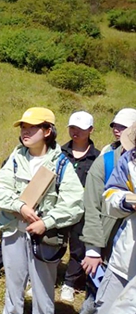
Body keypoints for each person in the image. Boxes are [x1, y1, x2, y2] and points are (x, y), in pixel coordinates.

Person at [0, 107, 84, 314]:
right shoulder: (15, 157)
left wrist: (48, 221)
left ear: (47, 131)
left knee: (42, 288)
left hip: (44, 237)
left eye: (32, 127)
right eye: (23, 127)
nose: (25, 131)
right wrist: (19, 205)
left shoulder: (62, 163)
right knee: (14, 284)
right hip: (13, 231)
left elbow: (75, 203)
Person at [74, 109, 136, 314]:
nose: (117, 131)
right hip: (121, 259)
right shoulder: (120, 159)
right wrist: (126, 202)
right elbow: (101, 200)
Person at [59, 111, 99, 303]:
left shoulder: (97, 158)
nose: (76, 132)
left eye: (81, 129)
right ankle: (45, 279)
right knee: (54, 243)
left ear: (90, 130)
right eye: (72, 128)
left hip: (82, 210)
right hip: (59, 207)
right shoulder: (59, 153)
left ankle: (69, 283)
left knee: (78, 248)